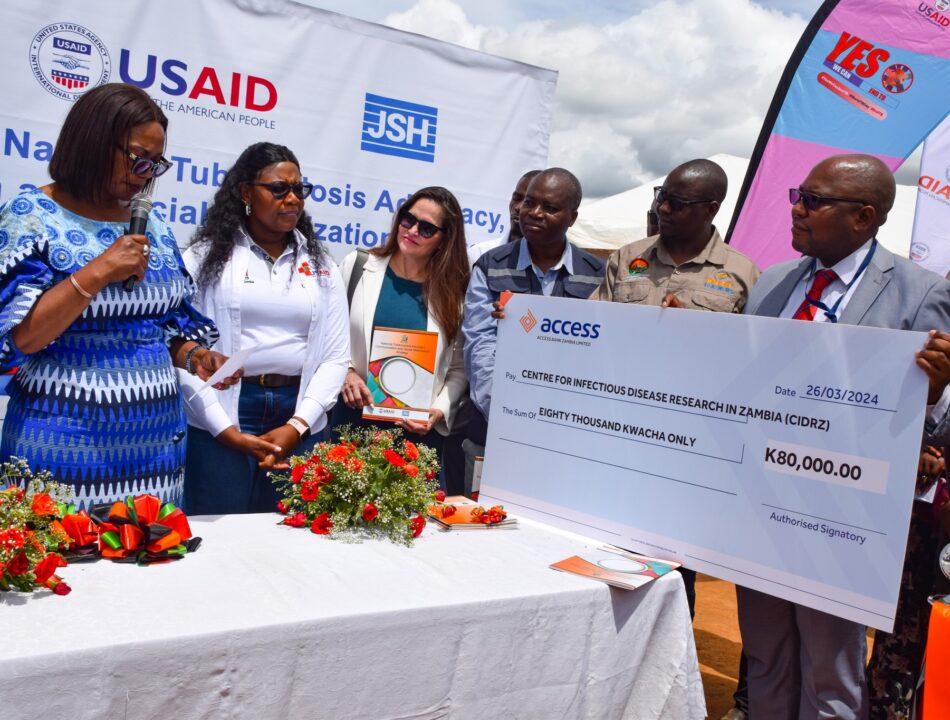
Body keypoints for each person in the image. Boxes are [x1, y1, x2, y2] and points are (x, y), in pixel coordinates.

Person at [737, 153, 950, 719]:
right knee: (765, 659)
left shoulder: (920, 292)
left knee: (830, 674)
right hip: (760, 501)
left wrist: (934, 392)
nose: (798, 211)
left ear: (864, 217)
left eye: (813, 200)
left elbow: (936, 421)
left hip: (844, 511)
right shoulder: (775, 283)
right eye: (797, 196)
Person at [0, 83, 231, 511]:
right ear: (91, 143)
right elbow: (21, 337)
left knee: (150, 566)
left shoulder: (152, 225)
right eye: (137, 158)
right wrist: (100, 270)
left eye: (156, 163)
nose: (145, 173)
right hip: (63, 446)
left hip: (155, 448)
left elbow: (158, 323)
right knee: (60, 570)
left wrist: (193, 355)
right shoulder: (31, 216)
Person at [591, 158, 760, 620]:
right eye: (661, 196)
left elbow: (754, 367)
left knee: (674, 567)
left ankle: (667, 658)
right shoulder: (628, 258)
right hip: (618, 431)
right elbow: (588, 333)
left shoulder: (744, 274)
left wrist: (696, 337)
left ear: (711, 208)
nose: (663, 207)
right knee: (608, 556)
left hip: (689, 448)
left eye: (678, 202)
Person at [179, 142, 350, 514]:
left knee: (285, 541)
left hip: (297, 414)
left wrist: (298, 425)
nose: (292, 198)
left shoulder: (322, 265)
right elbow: (183, 349)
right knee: (218, 538)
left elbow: (336, 358)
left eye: (298, 189)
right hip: (220, 417)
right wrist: (225, 431)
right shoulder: (203, 258)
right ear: (245, 193)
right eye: (278, 189)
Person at [462, 168, 605, 483]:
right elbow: (480, 347)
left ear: (572, 217)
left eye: (550, 208)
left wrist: (558, 418)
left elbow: (598, 358)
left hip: (567, 440)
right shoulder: (491, 266)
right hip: (493, 433)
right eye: (529, 202)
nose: (534, 213)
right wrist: (509, 415)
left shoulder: (597, 274)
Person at [331, 186, 470, 462]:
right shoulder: (357, 266)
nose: (413, 230)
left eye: (427, 228)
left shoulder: (455, 293)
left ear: (444, 240)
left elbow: (458, 368)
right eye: (408, 219)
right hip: (351, 423)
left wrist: (439, 410)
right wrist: (346, 372)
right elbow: (328, 337)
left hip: (416, 436)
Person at [466, 170, 541, 265]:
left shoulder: (550, 264)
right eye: (516, 198)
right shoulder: (479, 254)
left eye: (529, 202)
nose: (518, 207)